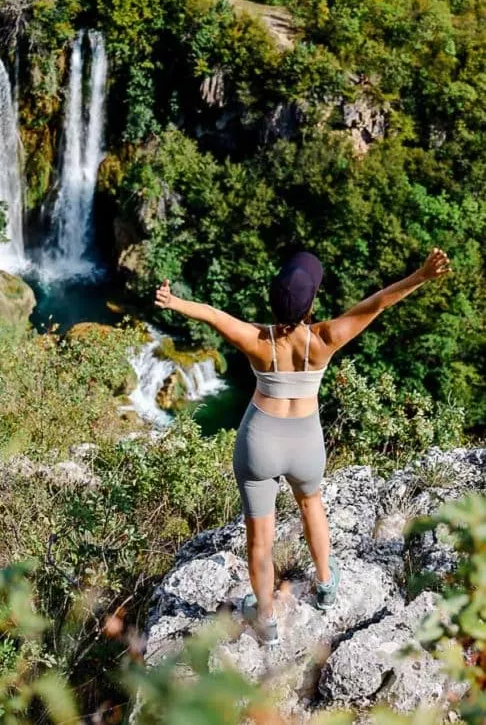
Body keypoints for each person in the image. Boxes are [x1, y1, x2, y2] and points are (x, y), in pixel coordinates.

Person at [154, 247, 451, 646]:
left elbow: (211, 314)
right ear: (311, 304)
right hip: (306, 442)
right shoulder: (326, 337)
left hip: (259, 441)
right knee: (312, 505)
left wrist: (174, 302)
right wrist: (421, 275)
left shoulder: (256, 339)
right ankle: (325, 587)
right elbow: (378, 302)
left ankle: (266, 620)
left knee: (259, 537)